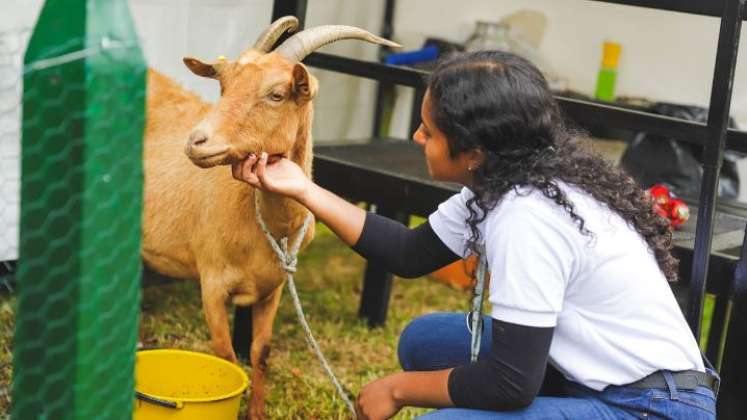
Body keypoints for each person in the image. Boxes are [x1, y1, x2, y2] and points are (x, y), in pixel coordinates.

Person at [231, 50, 718, 419]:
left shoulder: (528, 217)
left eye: (429, 130)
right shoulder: (503, 180)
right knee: (425, 341)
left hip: (654, 406)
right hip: (592, 374)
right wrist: (302, 188)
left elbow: (510, 382)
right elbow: (409, 250)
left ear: (474, 152)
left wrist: (398, 389)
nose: (418, 138)